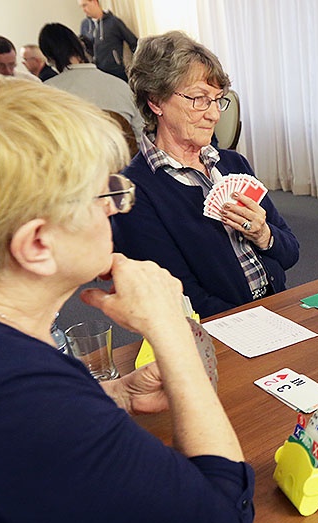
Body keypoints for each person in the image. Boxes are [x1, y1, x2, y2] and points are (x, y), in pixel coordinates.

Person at [0, 76, 254, 523]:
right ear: (37, 243)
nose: (114, 206)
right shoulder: (18, 396)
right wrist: (169, 324)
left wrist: (112, 393)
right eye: (101, 193)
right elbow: (221, 513)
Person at [112, 31, 299, 319]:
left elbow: (290, 254)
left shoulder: (234, 164)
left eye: (217, 100)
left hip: (276, 309)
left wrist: (264, 235)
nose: (214, 114)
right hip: (221, 333)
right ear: (156, 102)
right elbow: (181, 299)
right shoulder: (135, 192)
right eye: (200, 99)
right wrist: (258, 322)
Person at [40, 23, 144, 146]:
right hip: (126, 161)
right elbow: (141, 136)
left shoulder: (47, 92)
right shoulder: (121, 86)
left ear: (49, 58)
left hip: (79, 162)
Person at [77, 0, 137, 81]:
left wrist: (137, 67)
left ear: (94, 2)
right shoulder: (85, 25)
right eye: (81, 7)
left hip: (116, 73)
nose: (83, 10)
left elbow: (133, 43)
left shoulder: (114, 22)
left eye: (85, 5)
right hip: (96, 75)